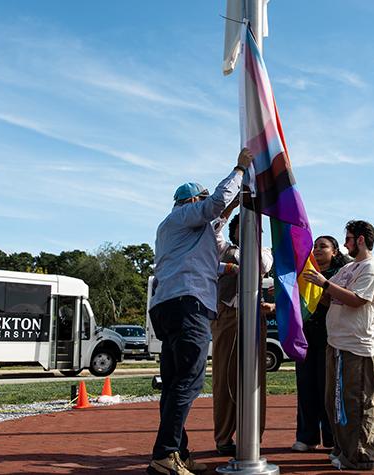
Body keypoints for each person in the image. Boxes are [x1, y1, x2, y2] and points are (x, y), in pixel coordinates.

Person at [146, 148, 253, 475]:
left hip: (169, 306)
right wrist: (239, 170)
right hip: (187, 305)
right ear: (191, 202)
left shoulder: (178, 230)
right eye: (202, 199)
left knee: (174, 382)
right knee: (188, 383)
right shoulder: (182, 217)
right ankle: (164, 455)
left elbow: (198, 259)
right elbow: (216, 205)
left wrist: (226, 268)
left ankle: (179, 452)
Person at [304, 220, 374, 470]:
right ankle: (342, 448)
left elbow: (357, 301)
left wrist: (325, 283)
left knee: (356, 401)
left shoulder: (371, 268)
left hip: (356, 345)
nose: (345, 244)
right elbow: (331, 297)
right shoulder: (349, 268)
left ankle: (361, 454)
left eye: (348, 239)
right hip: (336, 343)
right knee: (334, 402)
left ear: (360, 240)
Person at [211, 214, 274, 456]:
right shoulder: (223, 249)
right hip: (227, 314)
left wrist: (253, 242)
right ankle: (224, 437)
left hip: (254, 316)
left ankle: (253, 436)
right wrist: (230, 209)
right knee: (224, 374)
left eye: (254, 228)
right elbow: (214, 230)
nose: (249, 231)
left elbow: (262, 264)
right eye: (244, 227)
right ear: (235, 231)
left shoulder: (264, 252)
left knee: (255, 377)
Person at [291, 236, 349, 453]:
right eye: (314, 246)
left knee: (328, 389)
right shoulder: (305, 273)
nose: (316, 249)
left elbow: (336, 301)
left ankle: (333, 437)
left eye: (322, 246)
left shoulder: (342, 274)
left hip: (329, 337)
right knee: (305, 387)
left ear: (335, 251)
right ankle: (307, 437)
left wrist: (319, 285)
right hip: (306, 337)